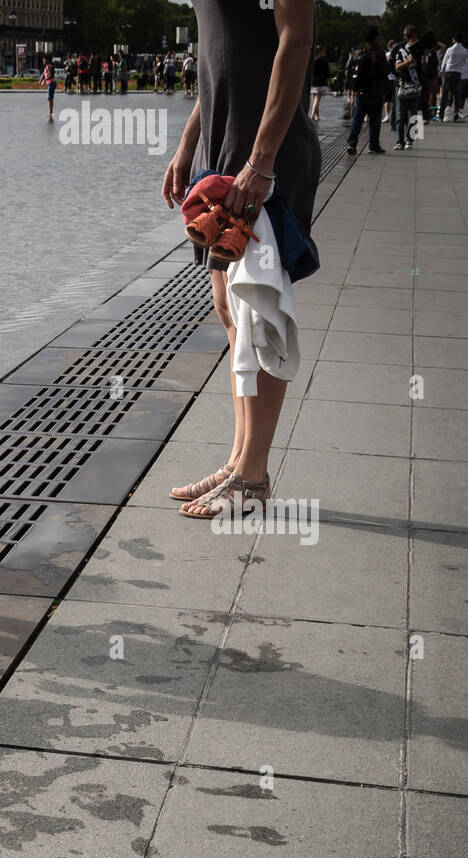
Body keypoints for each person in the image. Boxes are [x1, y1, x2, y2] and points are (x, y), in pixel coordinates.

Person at [162, 0, 320, 521]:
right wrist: (189, 147)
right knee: (230, 315)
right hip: (222, 152)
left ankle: (253, 477)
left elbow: (294, 41)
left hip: (261, 160)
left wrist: (263, 160)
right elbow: (220, 62)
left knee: (261, 312)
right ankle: (238, 459)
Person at [345, 29, 387, 155]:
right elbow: (386, 71)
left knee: (357, 119)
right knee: (374, 121)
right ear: (375, 38)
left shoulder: (359, 53)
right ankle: (373, 145)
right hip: (375, 92)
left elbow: (349, 71)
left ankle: (351, 144)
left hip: (360, 92)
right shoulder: (379, 53)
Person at [393, 25, 420, 149]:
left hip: (415, 85)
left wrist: (422, 58)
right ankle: (399, 141)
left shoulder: (418, 51)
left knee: (414, 114)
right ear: (409, 38)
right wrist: (408, 62)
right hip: (402, 85)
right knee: (401, 115)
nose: (415, 40)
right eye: (413, 38)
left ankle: (410, 140)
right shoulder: (401, 50)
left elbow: (422, 69)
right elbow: (397, 67)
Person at [441, 33, 467, 121]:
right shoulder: (464, 50)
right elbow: (464, 62)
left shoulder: (450, 49)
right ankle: (456, 115)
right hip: (458, 73)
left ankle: (441, 115)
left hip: (449, 72)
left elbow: (444, 60)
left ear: (454, 39)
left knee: (445, 94)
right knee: (457, 95)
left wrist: (442, 71)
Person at [309, 44, 329, 121]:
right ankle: (312, 115)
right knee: (317, 100)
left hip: (312, 81)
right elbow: (326, 72)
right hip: (320, 81)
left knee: (314, 100)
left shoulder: (312, 60)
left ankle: (317, 116)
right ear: (321, 51)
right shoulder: (323, 60)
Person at [43, 56, 56, 120]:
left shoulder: (49, 66)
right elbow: (44, 74)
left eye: (44, 59)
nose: (43, 61)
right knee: (50, 98)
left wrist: (44, 80)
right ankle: (51, 113)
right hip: (51, 83)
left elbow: (51, 75)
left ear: (47, 60)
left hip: (51, 83)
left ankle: (51, 113)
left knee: (50, 98)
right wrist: (41, 79)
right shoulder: (47, 66)